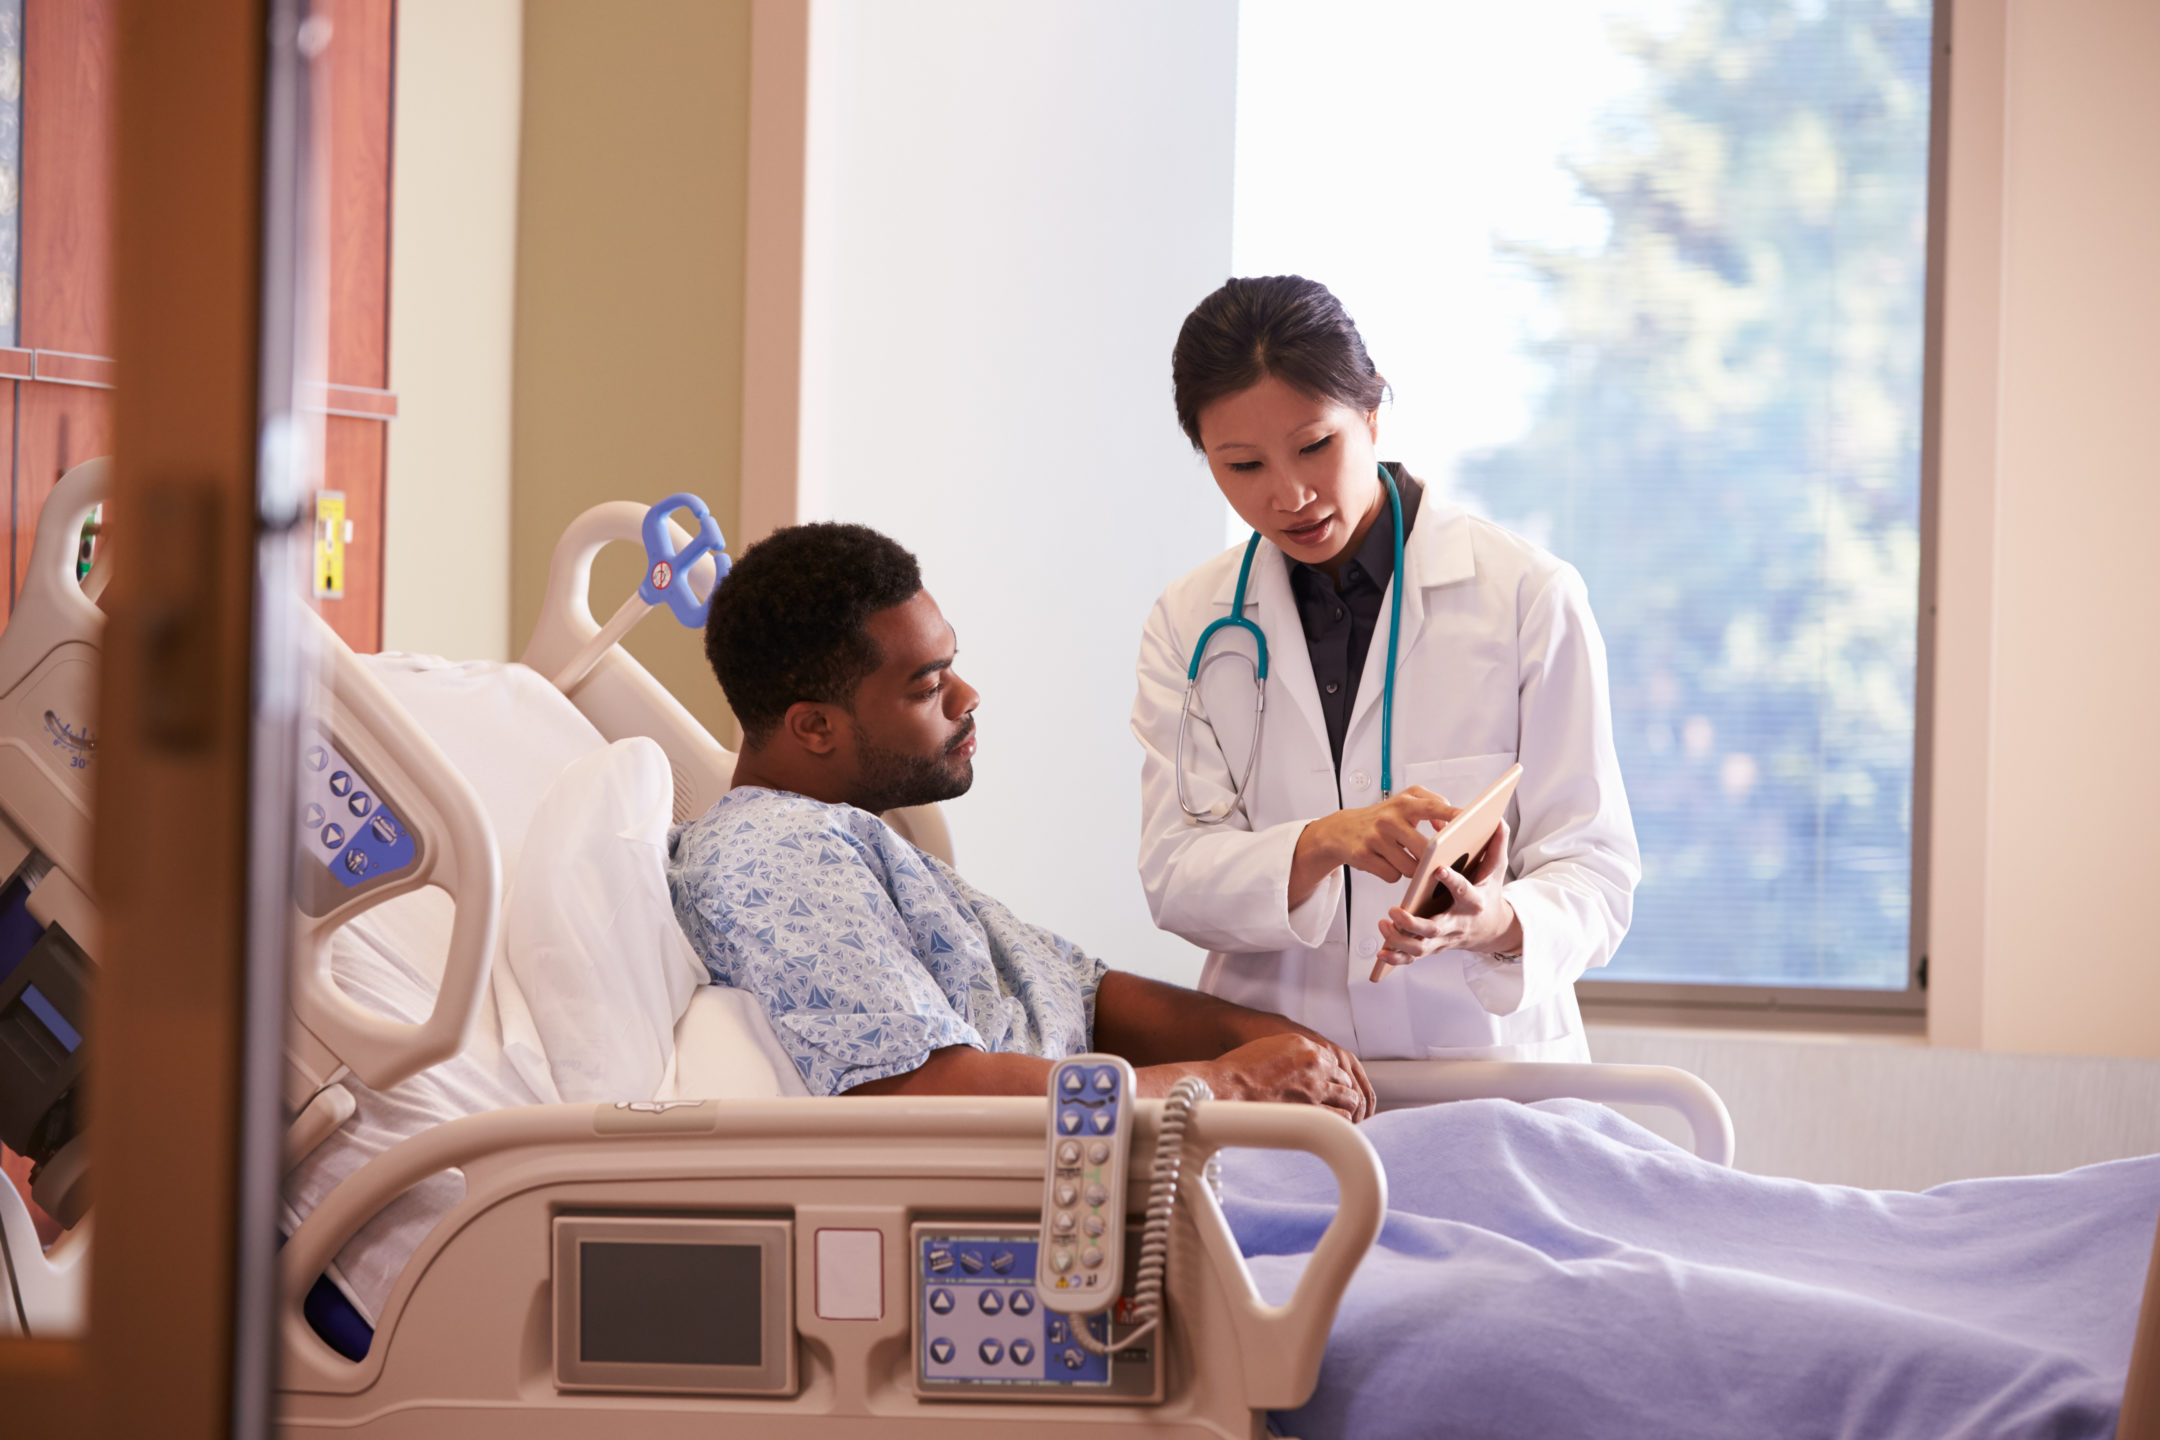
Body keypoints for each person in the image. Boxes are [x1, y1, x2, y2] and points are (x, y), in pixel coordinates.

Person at [666, 520, 1376, 1119]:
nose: (967, 697)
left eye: (954, 665)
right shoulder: (779, 856)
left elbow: (1085, 996)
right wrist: (1233, 1083)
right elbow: (927, 1092)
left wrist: (1271, 1038)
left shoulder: (856, 841)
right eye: (928, 686)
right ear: (815, 726)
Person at [1132, 275, 1638, 1062]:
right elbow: (1175, 874)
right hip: (1285, 1079)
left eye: (1313, 446)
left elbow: (1595, 869)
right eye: (1243, 466)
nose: (1289, 495)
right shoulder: (1190, 623)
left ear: (1371, 412)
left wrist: (1495, 922)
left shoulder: (1526, 597)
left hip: (1483, 1075)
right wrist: (1324, 841)